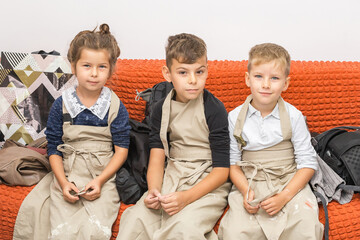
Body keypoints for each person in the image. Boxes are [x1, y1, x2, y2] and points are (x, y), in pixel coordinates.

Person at [13, 23, 130, 240]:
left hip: (102, 172)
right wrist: (64, 182)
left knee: (94, 229)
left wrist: (101, 181)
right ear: (73, 66)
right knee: (58, 227)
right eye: (87, 66)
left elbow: (121, 150)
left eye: (101, 67)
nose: (94, 74)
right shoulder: (61, 104)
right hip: (68, 169)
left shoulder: (115, 105)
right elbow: (54, 148)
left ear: (111, 69)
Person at [117, 33, 231, 240]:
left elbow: (222, 171)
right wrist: (153, 190)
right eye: (183, 72)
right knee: (135, 220)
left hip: (207, 183)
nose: (193, 80)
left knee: (182, 227)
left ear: (207, 70)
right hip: (173, 175)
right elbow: (157, 158)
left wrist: (186, 198)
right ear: (167, 73)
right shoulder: (161, 108)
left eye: (199, 71)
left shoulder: (214, 109)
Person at [218, 43, 324, 240]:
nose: (266, 84)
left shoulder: (294, 116)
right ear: (247, 79)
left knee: (304, 225)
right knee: (235, 232)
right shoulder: (234, 117)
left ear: (285, 83)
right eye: (259, 76)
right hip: (250, 180)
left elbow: (308, 163)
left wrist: (285, 196)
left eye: (274, 78)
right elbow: (232, 163)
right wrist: (246, 191)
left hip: (288, 179)